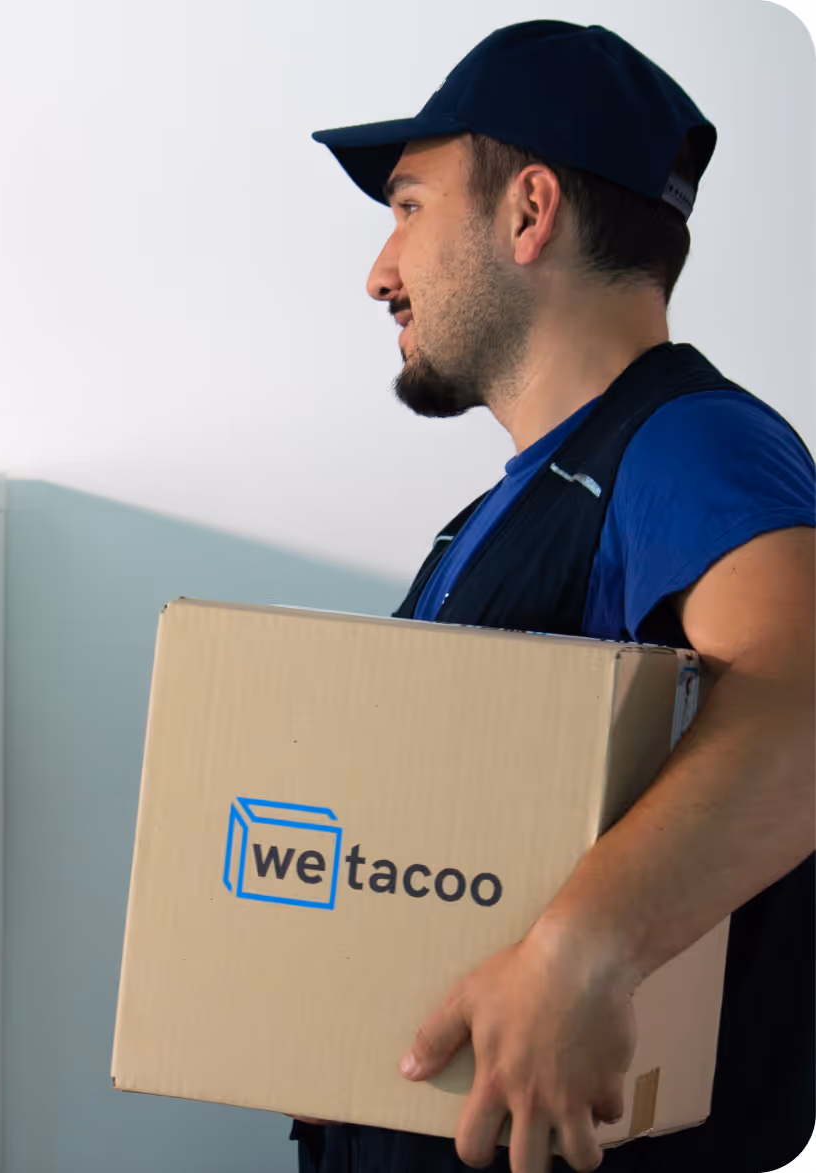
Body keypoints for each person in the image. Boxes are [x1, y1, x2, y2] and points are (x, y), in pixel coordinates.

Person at [298, 20, 814, 1173]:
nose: (380, 271)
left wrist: (586, 950)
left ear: (530, 211)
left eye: (410, 207)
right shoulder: (504, 515)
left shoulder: (693, 445)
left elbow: (806, 696)